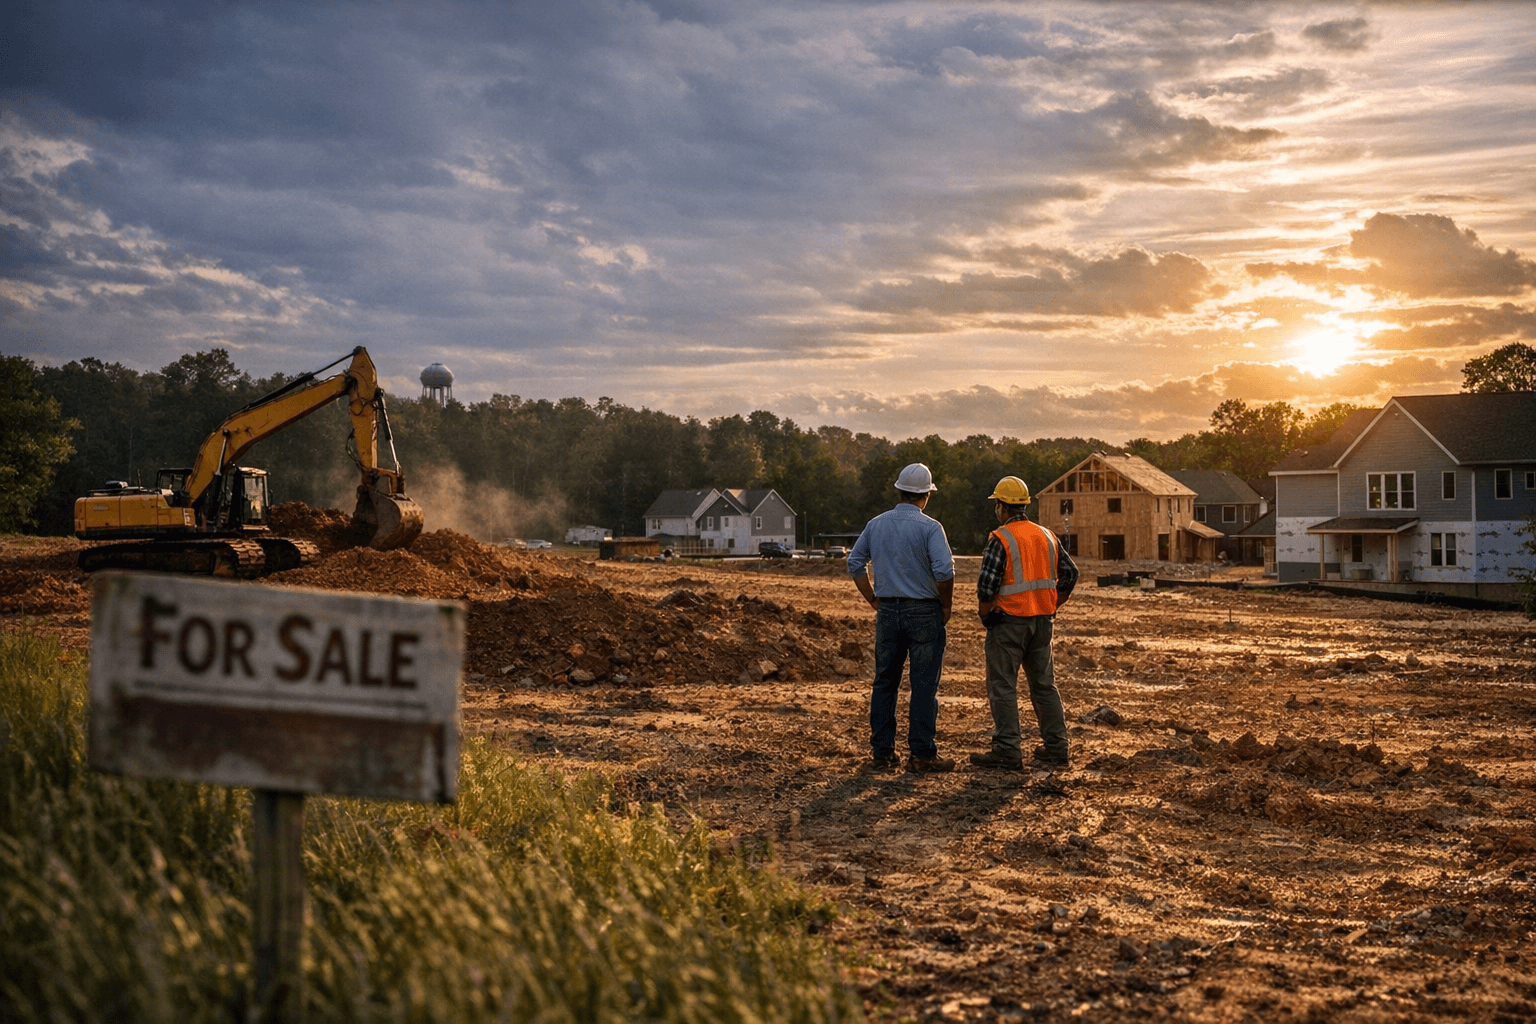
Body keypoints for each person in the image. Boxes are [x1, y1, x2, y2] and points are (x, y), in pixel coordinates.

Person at [847, 463, 956, 773]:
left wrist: (873, 598)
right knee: (923, 686)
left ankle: (882, 753)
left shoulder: (876, 524)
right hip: (924, 611)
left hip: (888, 612)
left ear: (899, 491)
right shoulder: (930, 528)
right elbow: (944, 571)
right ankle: (922, 753)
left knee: (885, 683)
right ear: (926, 496)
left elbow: (855, 563)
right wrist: (945, 606)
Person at [970, 475, 1079, 770]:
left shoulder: (1001, 538)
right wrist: (1053, 603)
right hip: (1042, 622)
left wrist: (985, 615)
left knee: (1003, 686)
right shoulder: (1046, 535)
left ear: (1003, 507)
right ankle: (1057, 748)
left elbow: (986, 587)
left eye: (997, 505)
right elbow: (1071, 574)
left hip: (1009, 623)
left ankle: (1007, 749)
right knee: (1044, 685)